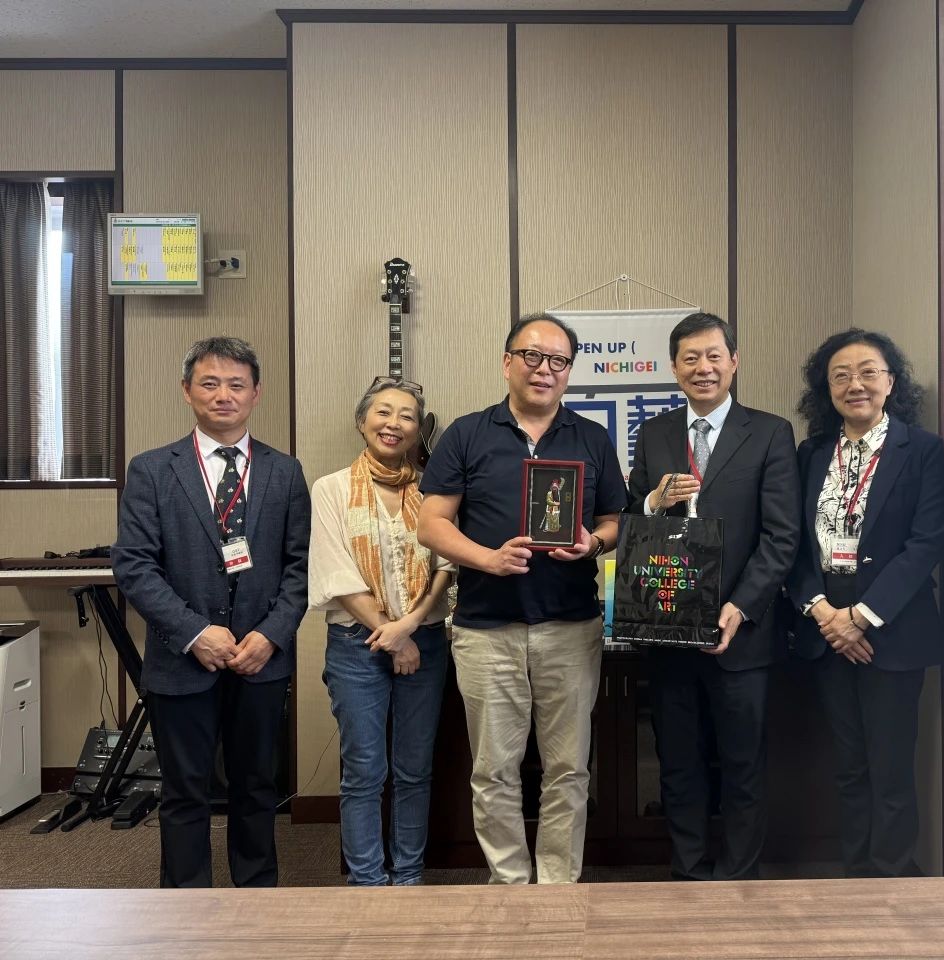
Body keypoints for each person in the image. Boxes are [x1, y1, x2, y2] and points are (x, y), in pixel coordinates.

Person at [417, 312, 627, 884]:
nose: (544, 370)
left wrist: (591, 544)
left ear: (569, 371)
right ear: (507, 362)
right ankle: (510, 884)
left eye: (558, 360)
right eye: (532, 356)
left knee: (568, 768)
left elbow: (615, 520)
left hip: (571, 627)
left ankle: (557, 886)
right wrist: (487, 559)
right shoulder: (467, 433)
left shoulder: (591, 437)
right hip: (486, 629)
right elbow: (431, 524)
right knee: (493, 770)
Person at [112, 336, 309, 888]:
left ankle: (256, 897)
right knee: (184, 792)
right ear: (187, 391)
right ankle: (185, 905)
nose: (224, 395)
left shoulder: (285, 472)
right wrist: (196, 632)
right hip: (182, 659)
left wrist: (270, 635)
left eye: (236, 384)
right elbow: (134, 566)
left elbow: (301, 567)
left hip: (260, 659)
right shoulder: (152, 469)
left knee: (257, 789)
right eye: (210, 383)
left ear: (256, 393)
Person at [627, 311, 801, 881]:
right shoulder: (653, 433)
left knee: (743, 764)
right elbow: (631, 523)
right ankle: (689, 871)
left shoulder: (770, 432)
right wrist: (653, 502)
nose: (703, 368)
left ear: (734, 361)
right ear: (674, 368)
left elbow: (781, 536)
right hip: (669, 630)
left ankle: (738, 876)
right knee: (678, 763)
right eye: (690, 359)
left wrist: (740, 606)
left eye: (713, 356)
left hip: (741, 633)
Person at [788, 329, 944, 878]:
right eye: (841, 375)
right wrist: (825, 614)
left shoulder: (922, 450)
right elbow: (792, 544)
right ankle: (856, 872)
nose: (854, 384)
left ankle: (892, 875)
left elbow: (927, 542)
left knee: (891, 766)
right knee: (848, 765)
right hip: (825, 627)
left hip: (891, 630)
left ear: (891, 382)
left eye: (867, 372)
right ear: (826, 388)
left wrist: (861, 618)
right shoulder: (811, 453)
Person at [308, 377, 453, 885]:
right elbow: (336, 573)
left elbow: (445, 566)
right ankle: (367, 882)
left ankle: (408, 876)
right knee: (364, 771)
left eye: (407, 416)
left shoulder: (434, 490)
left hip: (426, 641)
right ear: (362, 421)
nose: (394, 424)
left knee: (415, 769)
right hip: (357, 644)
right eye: (383, 412)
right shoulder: (330, 489)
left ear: (418, 430)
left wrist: (409, 628)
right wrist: (393, 634)